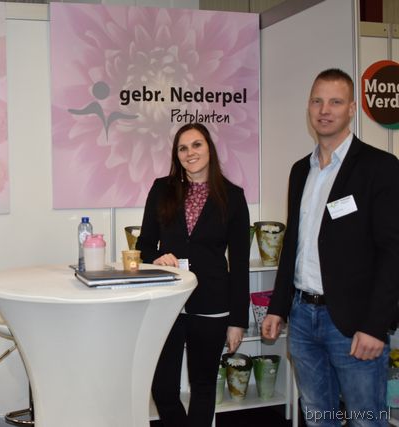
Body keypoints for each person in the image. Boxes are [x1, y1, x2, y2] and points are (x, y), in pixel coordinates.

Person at [262, 68, 399, 427]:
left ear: (351, 109)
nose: (325, 110)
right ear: (308, 107)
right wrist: (278, 307)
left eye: (335, 102)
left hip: (354, 325)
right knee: (318, 417)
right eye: (317, 101)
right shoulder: (300, 171)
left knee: (366, 420)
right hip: (303, 320)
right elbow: (293, 243)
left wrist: (376, 325)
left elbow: (393, 253)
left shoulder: (380, 167)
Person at [136, 122, 250, 427]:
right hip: (168, 303)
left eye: (196, 145)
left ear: (209, 148)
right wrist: (157, 258)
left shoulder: (233, 196)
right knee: (163, 388)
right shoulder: (162, 189)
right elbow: (143, 246)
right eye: (182, 148)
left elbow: (240, 263)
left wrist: (238, 320)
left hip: (212, 303)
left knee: (203, 386)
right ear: (177, 155)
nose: (190, 153)